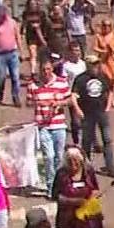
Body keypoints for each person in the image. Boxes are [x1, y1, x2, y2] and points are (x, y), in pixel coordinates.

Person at [28, 57, 73, 196]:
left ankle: (59, 184)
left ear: (52, 69)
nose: (46, 72)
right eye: (43, 70)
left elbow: (70, 99)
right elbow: (29, 102)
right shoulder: (34, 86)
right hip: (43, 126)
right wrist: (40, 103)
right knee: (49, 156)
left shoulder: (61, 83)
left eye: (48, 69)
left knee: (59, 156)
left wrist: (59, 103)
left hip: (58, 124)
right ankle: (50, 186)